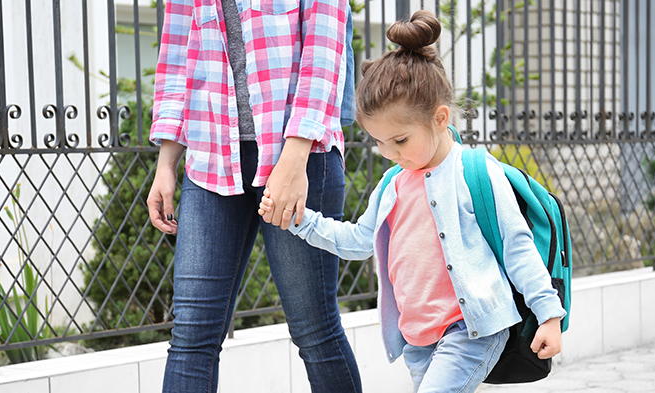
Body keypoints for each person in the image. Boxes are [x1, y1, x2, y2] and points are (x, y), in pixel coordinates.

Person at [259, 10, 566, 393]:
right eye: (378, 142)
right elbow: (358, 240)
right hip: (418, 339)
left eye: (400, 140)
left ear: (439, 118)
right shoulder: (393, 183)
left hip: (471, 331)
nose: (389, 153)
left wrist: (549, 313)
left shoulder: (474, 170)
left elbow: (517, 246)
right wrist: (300, 220)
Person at [145, 1, 361, 392]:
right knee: (191, 335)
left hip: (300, 155)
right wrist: (166, 162)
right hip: (211, 155)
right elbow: (177, 56)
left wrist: (294, 158)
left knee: (314, 328)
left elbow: (323, 50)